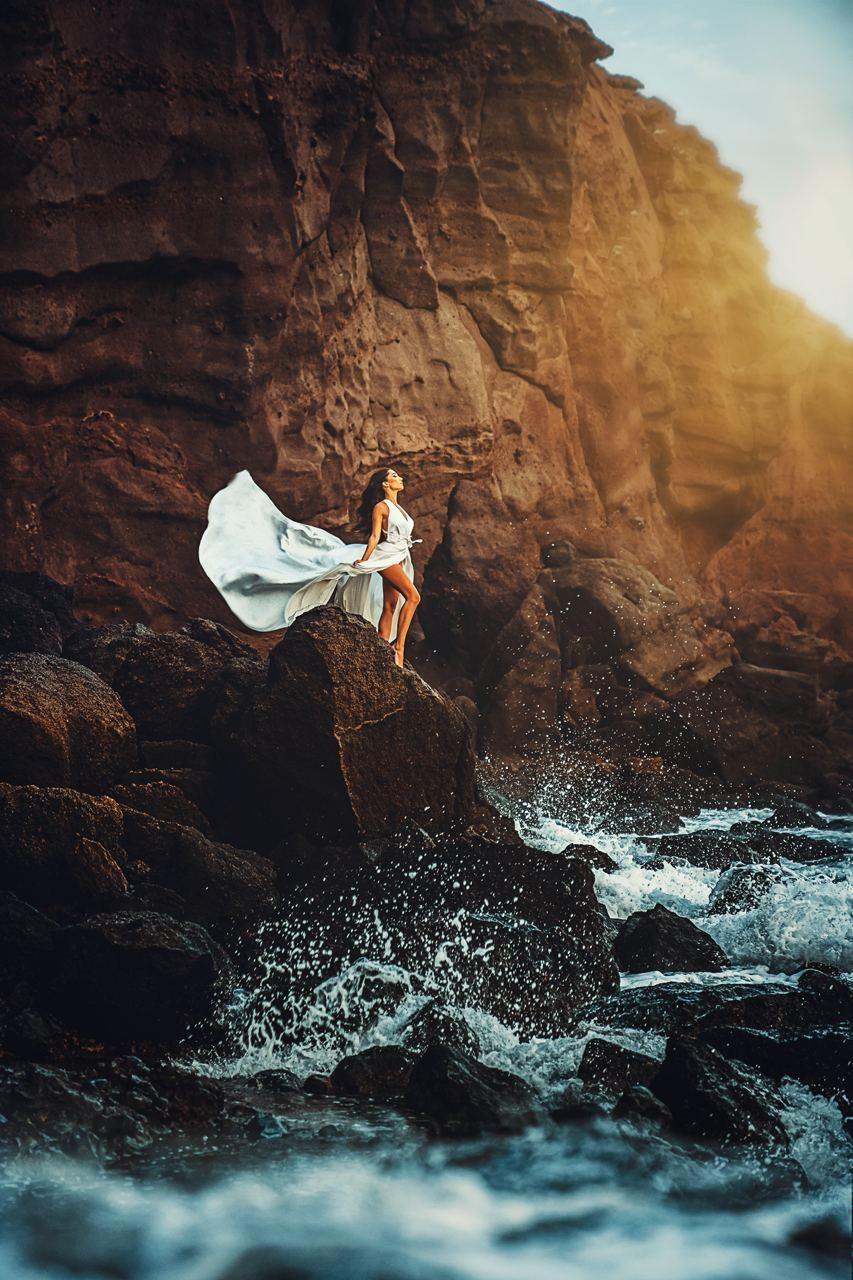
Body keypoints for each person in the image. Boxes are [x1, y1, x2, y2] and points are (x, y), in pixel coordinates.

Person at [198, 465, 422, 666]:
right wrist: (366, 558)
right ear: (385, 484)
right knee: (413, 597)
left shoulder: (399, 508)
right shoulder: (381, 507)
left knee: (390, 606)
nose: (400, 477)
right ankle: (399, 648)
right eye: (394, 475)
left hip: (399, 555)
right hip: (386, 557)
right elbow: (374, 537)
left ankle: (381, 654)